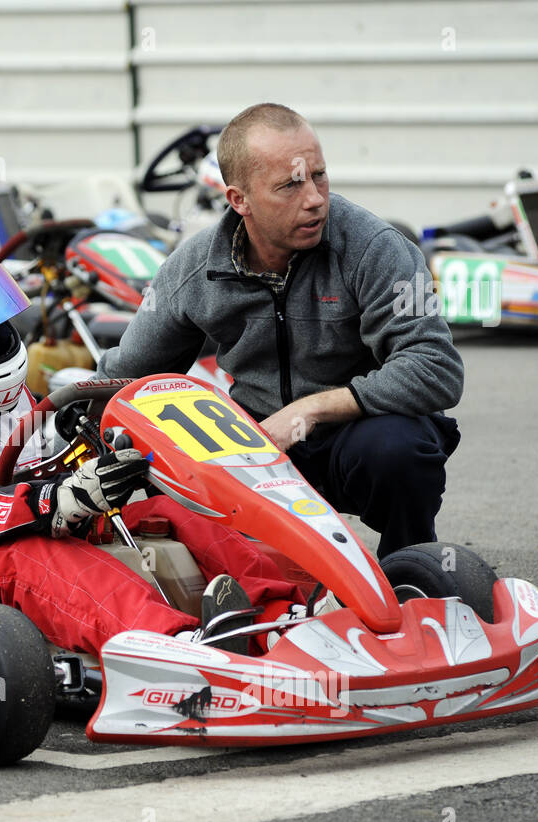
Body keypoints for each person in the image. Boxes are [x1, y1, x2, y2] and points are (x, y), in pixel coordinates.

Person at [0, 228, 300, 656]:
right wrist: (56, 500)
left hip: (40, 520)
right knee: (39, 561)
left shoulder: (6, 396)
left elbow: (47, 459)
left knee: (173, 510)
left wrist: (104, 457)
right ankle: (175, 647)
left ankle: (283, 620)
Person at [100, 103, 464, 558]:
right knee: (168, 460)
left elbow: (435, 368)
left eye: (319, 176)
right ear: (239, 200)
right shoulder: (194, 270)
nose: (313, 198)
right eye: (290, 185)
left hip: (357, 435)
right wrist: (36, 422)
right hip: (252, 442)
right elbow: (126, 376)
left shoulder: (376, 249)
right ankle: (222, 590)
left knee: (399, 448)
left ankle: (411, 569)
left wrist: (309, 411)